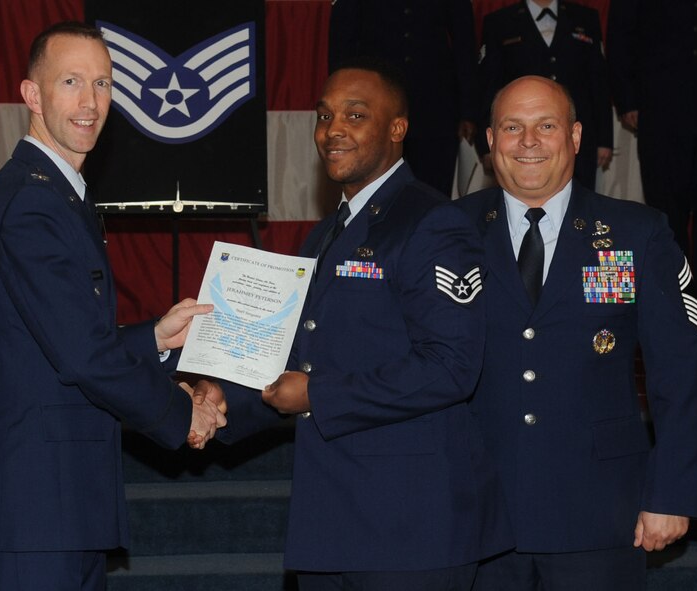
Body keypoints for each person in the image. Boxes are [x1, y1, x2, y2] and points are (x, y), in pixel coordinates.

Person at [195, 57, 511, 589]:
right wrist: (226, 400)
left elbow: (452, 367)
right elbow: (295, 359)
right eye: (324, 115)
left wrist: (319, 394)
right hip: (331, 522)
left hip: (413, 526)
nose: (333, 130)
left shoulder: (433, 223)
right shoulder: (323, 236)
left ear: (397, 128)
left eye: (355, 115)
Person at [0, 21, 225, 591]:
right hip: (33, 508)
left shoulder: (57, 194)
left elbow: (57, 343)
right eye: (71, 81)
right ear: (33, 95)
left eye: (102, 84)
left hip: (59, 503)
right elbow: (82, 357)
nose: (89, 102)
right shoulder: (33, 203)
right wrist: (181, 415)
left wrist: (152, 336)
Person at [454, 75, 697, 591]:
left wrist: (672, 494)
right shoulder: (447, 232)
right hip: (474, 510)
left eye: (545, 126)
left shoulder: (637, 232)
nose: (529, 142)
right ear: (489, 141)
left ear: (574, 137)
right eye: (512, 127)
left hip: (599, 510)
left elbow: (681, 369)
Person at [607, 0, 697, 338]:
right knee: (665, 214)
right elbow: (620, 37)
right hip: (661, 110)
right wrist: (627, 100)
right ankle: (671, 306)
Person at [328, 0, 479, 196]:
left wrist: (469, 110)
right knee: (374, 188)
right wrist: (343, 105)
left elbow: (464, 44)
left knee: (432, 192)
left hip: (435, 106)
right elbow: (342, 41)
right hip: (375, 104)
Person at [476, 0, 612, 191]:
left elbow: (598, 82)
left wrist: (605, 139)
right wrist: (485, 145)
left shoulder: (585, 18)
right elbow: (489, 88)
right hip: (520, 140)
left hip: (579, 138)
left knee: (581, 204)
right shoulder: (500, 22)